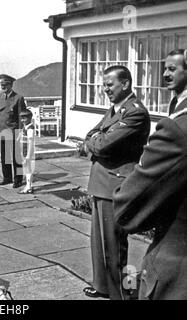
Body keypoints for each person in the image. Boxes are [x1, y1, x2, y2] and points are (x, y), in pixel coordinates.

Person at [113, 49, 187, 300]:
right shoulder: (176, 109)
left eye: (173, 68)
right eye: (164, 68)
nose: (165, 74)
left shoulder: (177, 127)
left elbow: (127, 208)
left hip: (177, 269)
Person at [83, 65, 151, 300]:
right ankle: (103, 286)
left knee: (115, 248)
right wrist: (94, 140)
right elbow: (92, 135)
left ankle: (122, 292)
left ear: (125, 84)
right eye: (104, 85)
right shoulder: (115, 110)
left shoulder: (135, 112)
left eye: (110, 85)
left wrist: (94, 142)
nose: (105, 89)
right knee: (99, 244)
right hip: (102, 183)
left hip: (116, 186)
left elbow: (100, 144)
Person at [0, 74, 27, 189]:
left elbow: (21, 116)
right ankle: (7, 178)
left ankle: (18, 180)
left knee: (16, 157)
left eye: (5, 85)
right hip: (1, 130)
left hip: (13, 131)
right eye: (1, 85)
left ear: (11, 85)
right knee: (5, 156)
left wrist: (20, 131)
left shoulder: (18, 98)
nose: (3, 87)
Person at [17, 109, 35, 194]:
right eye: (21, 118)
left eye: (24, 118)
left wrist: (28, 155)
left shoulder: (30, 129)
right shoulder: (26, 127)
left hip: (27, 150)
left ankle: (28, 186)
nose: (22, 120)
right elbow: (21, 134)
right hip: (23, 150)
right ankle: (29, 185)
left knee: (28, 169)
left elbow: (31, 142)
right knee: (27, 169)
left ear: (30, 118)